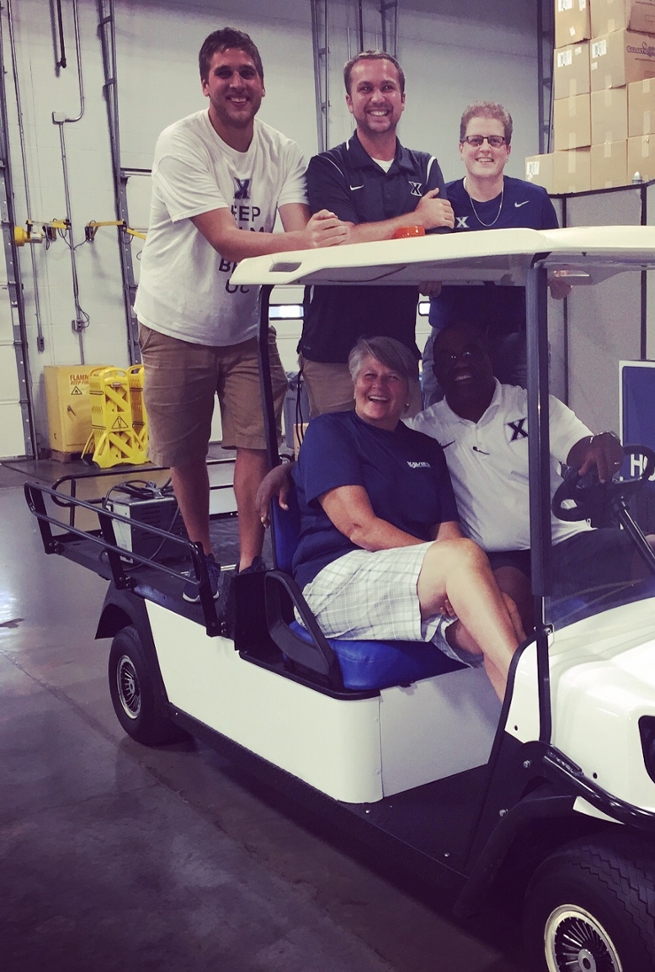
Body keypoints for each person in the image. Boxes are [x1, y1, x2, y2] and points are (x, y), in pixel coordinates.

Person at [134, 27, 350, 599]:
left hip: (245, 328)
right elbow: (228, 239)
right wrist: (308, 241)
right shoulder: (180, 144)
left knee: (256, 442)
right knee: (185, 453)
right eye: (224, 73)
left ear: (262, 84)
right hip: (175, 322)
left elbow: (300, 229)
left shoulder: (281, 150)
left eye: (247, 73)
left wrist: (316, 238)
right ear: (205, 82)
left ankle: (249, 568)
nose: (237, 83)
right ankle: (204, 555)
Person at [411, 322, 655, 626]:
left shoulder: (531, 405)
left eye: (470, 352)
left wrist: (600, 446)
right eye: (449, 358)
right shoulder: (423, 429)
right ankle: (539, 671)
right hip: (497, 557)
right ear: (436, 371)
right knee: (508, 601)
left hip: (565, 543)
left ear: (489, 357)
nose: (461, 362)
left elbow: (581, 448)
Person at [292, 337, 524, 699]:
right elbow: (359, 527)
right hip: (334, 580)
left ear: (408, 393)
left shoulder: (425, 448)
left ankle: (523, 743)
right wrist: (446, 572)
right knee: (465, 563)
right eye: (369, 375)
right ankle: (535, 693)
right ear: (355, 383)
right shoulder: (330, 432)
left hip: (408, 583)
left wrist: (449, 573)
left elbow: (448, 533)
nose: (378, 387)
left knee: (503, 611)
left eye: (392, 378)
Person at [298, 51, 455, 416]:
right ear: (350, 101)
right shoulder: (328, 167)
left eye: (388, 87)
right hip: (333, 354)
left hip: (398, 350)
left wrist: (424, 256)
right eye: (365, 88)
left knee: (401, 461)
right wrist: (416, 219)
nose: (378, 98)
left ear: (402, 98)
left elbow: (437, 250)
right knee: (338, 462)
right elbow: (343, 240)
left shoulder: (425, 166)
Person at [421, 101, 568, 406]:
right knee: (439, 427)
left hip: (517, 340)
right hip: (451, 341)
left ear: (508, 149)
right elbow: (422, 266)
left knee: (529, 424)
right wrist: (426, 278)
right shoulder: (438, 201)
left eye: (495, 140)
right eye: (476, 140)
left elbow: (556, 273)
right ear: (461, 148)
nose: (485, 148)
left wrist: (559, 279)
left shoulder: (534, 200)